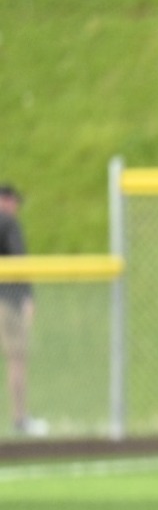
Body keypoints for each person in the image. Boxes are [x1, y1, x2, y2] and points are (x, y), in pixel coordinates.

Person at [0, 184, 46, 437]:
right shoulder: (8, 223)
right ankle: (19, 418)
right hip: (8, 300)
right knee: (17, 358)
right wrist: (28, 296)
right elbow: (19, 262)